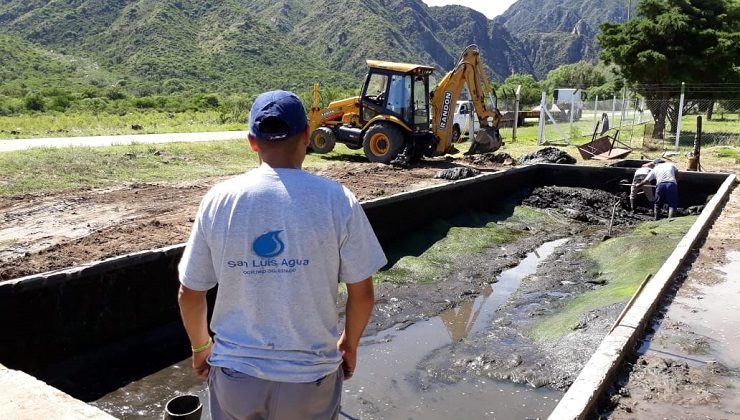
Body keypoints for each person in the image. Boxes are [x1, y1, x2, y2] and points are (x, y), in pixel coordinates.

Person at [177, 90, 387, 420]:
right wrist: (349, 345)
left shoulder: (218, 200)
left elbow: (189, 294)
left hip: (235, 378)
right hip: (311, 380)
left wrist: (201, 347)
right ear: (307, 135)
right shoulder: (337, 200)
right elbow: (363, 295)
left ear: (252, 142)